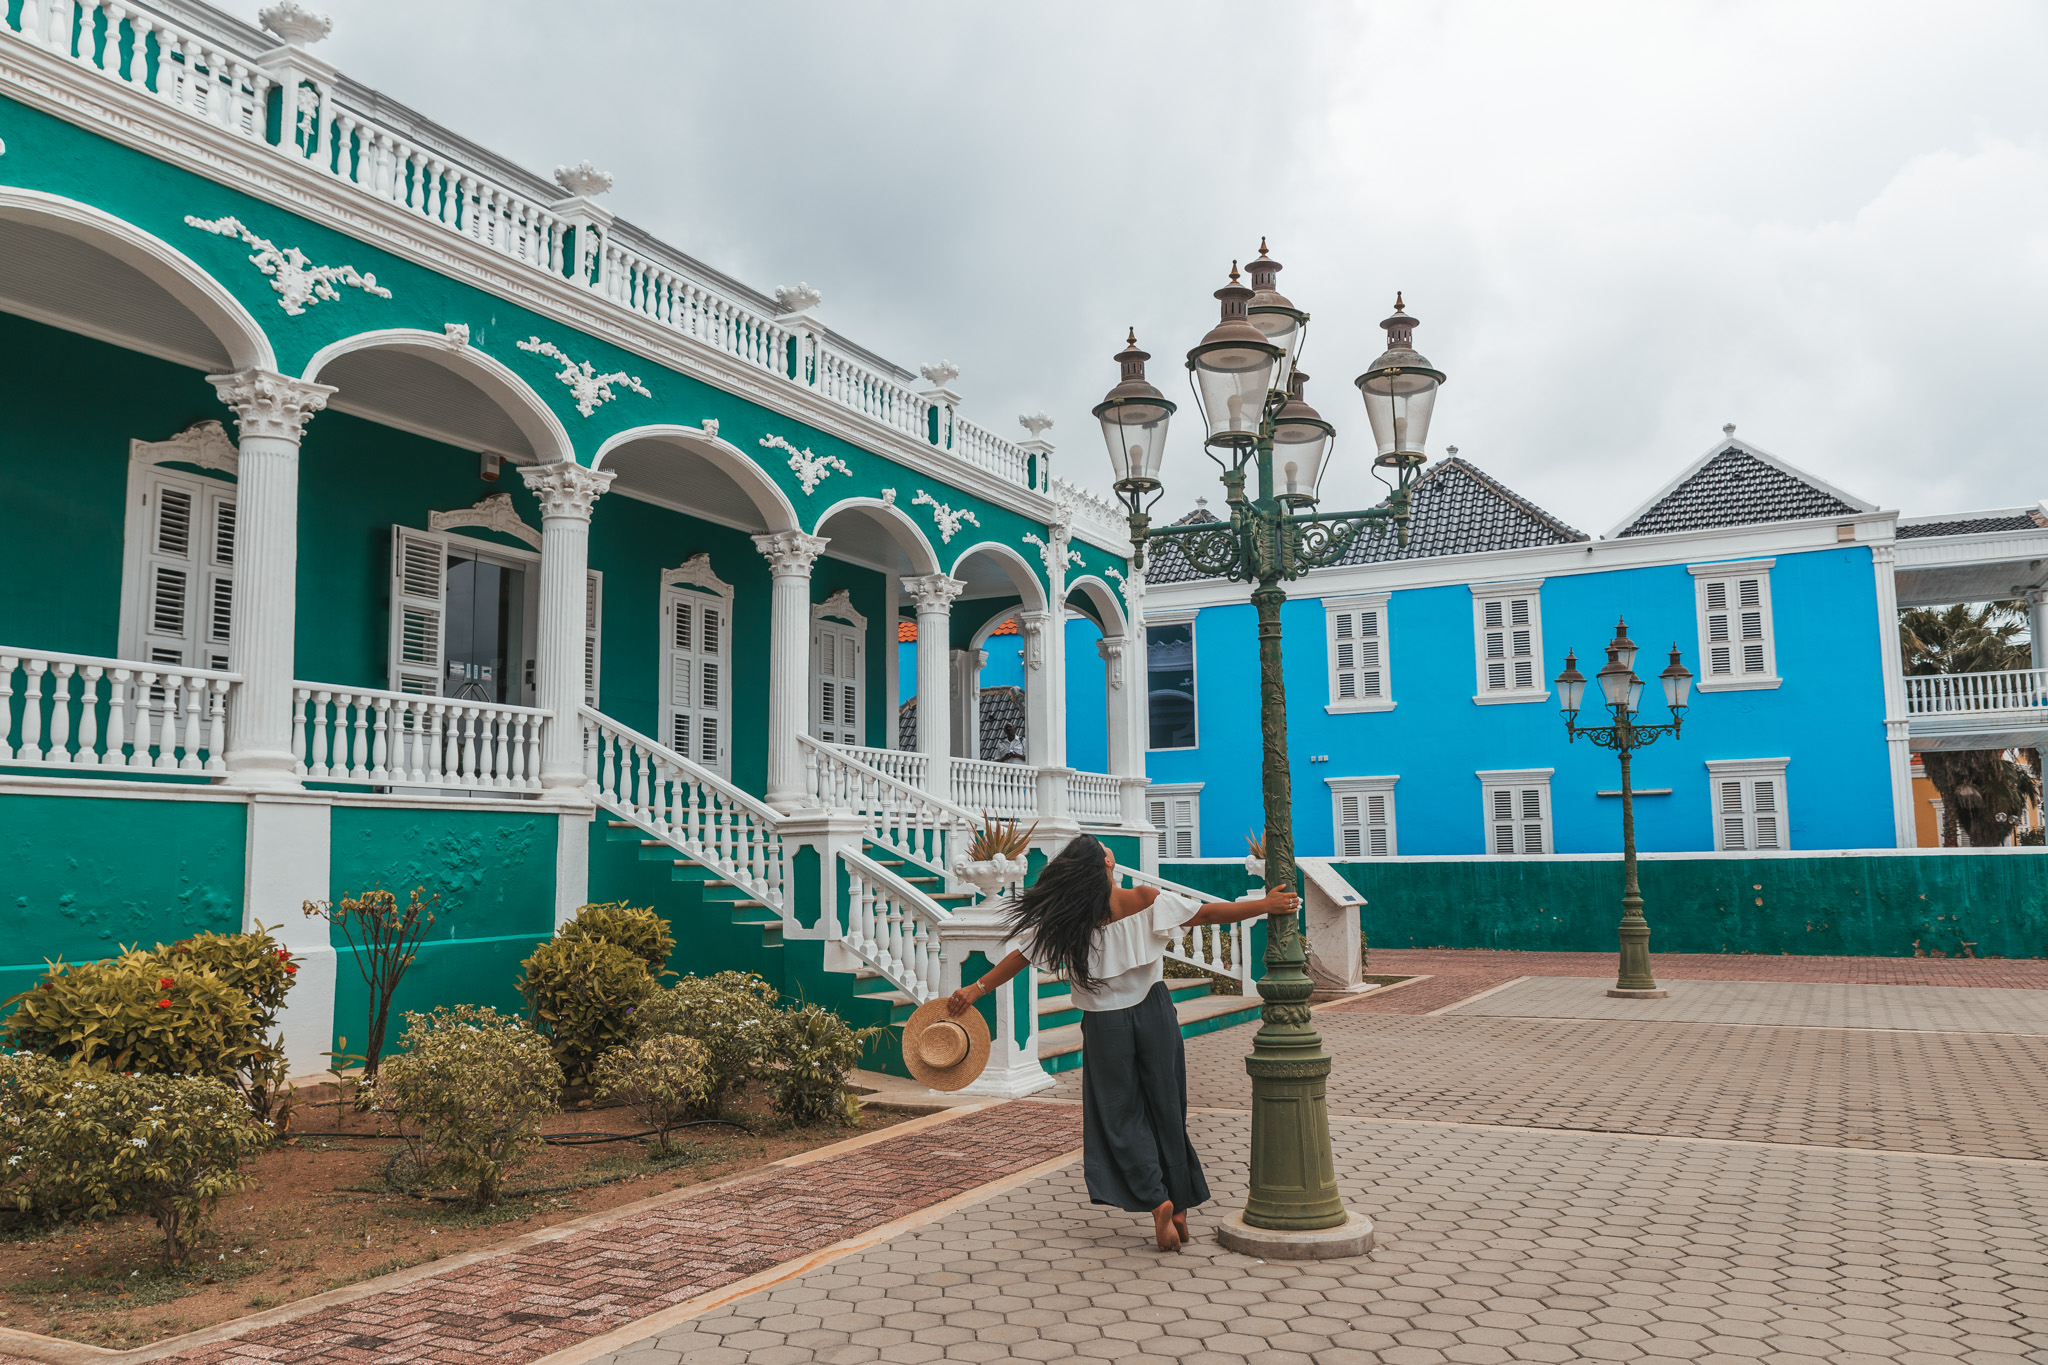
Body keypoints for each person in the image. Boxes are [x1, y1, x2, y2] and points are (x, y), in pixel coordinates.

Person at [945, 834, 1300, 1252]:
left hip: (1104, 1024)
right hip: (1154, 1013)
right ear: (1105, 868)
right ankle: (1181, 1203)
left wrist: (976, 989)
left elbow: (1020, 958)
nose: (1112, 859)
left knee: (1119, 1115)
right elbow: (1203, 915)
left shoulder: (1066, 918)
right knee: (1167, 1106)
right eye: (1107, 855)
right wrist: (1264, 905)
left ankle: (1158, 1200)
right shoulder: (1144, 898)